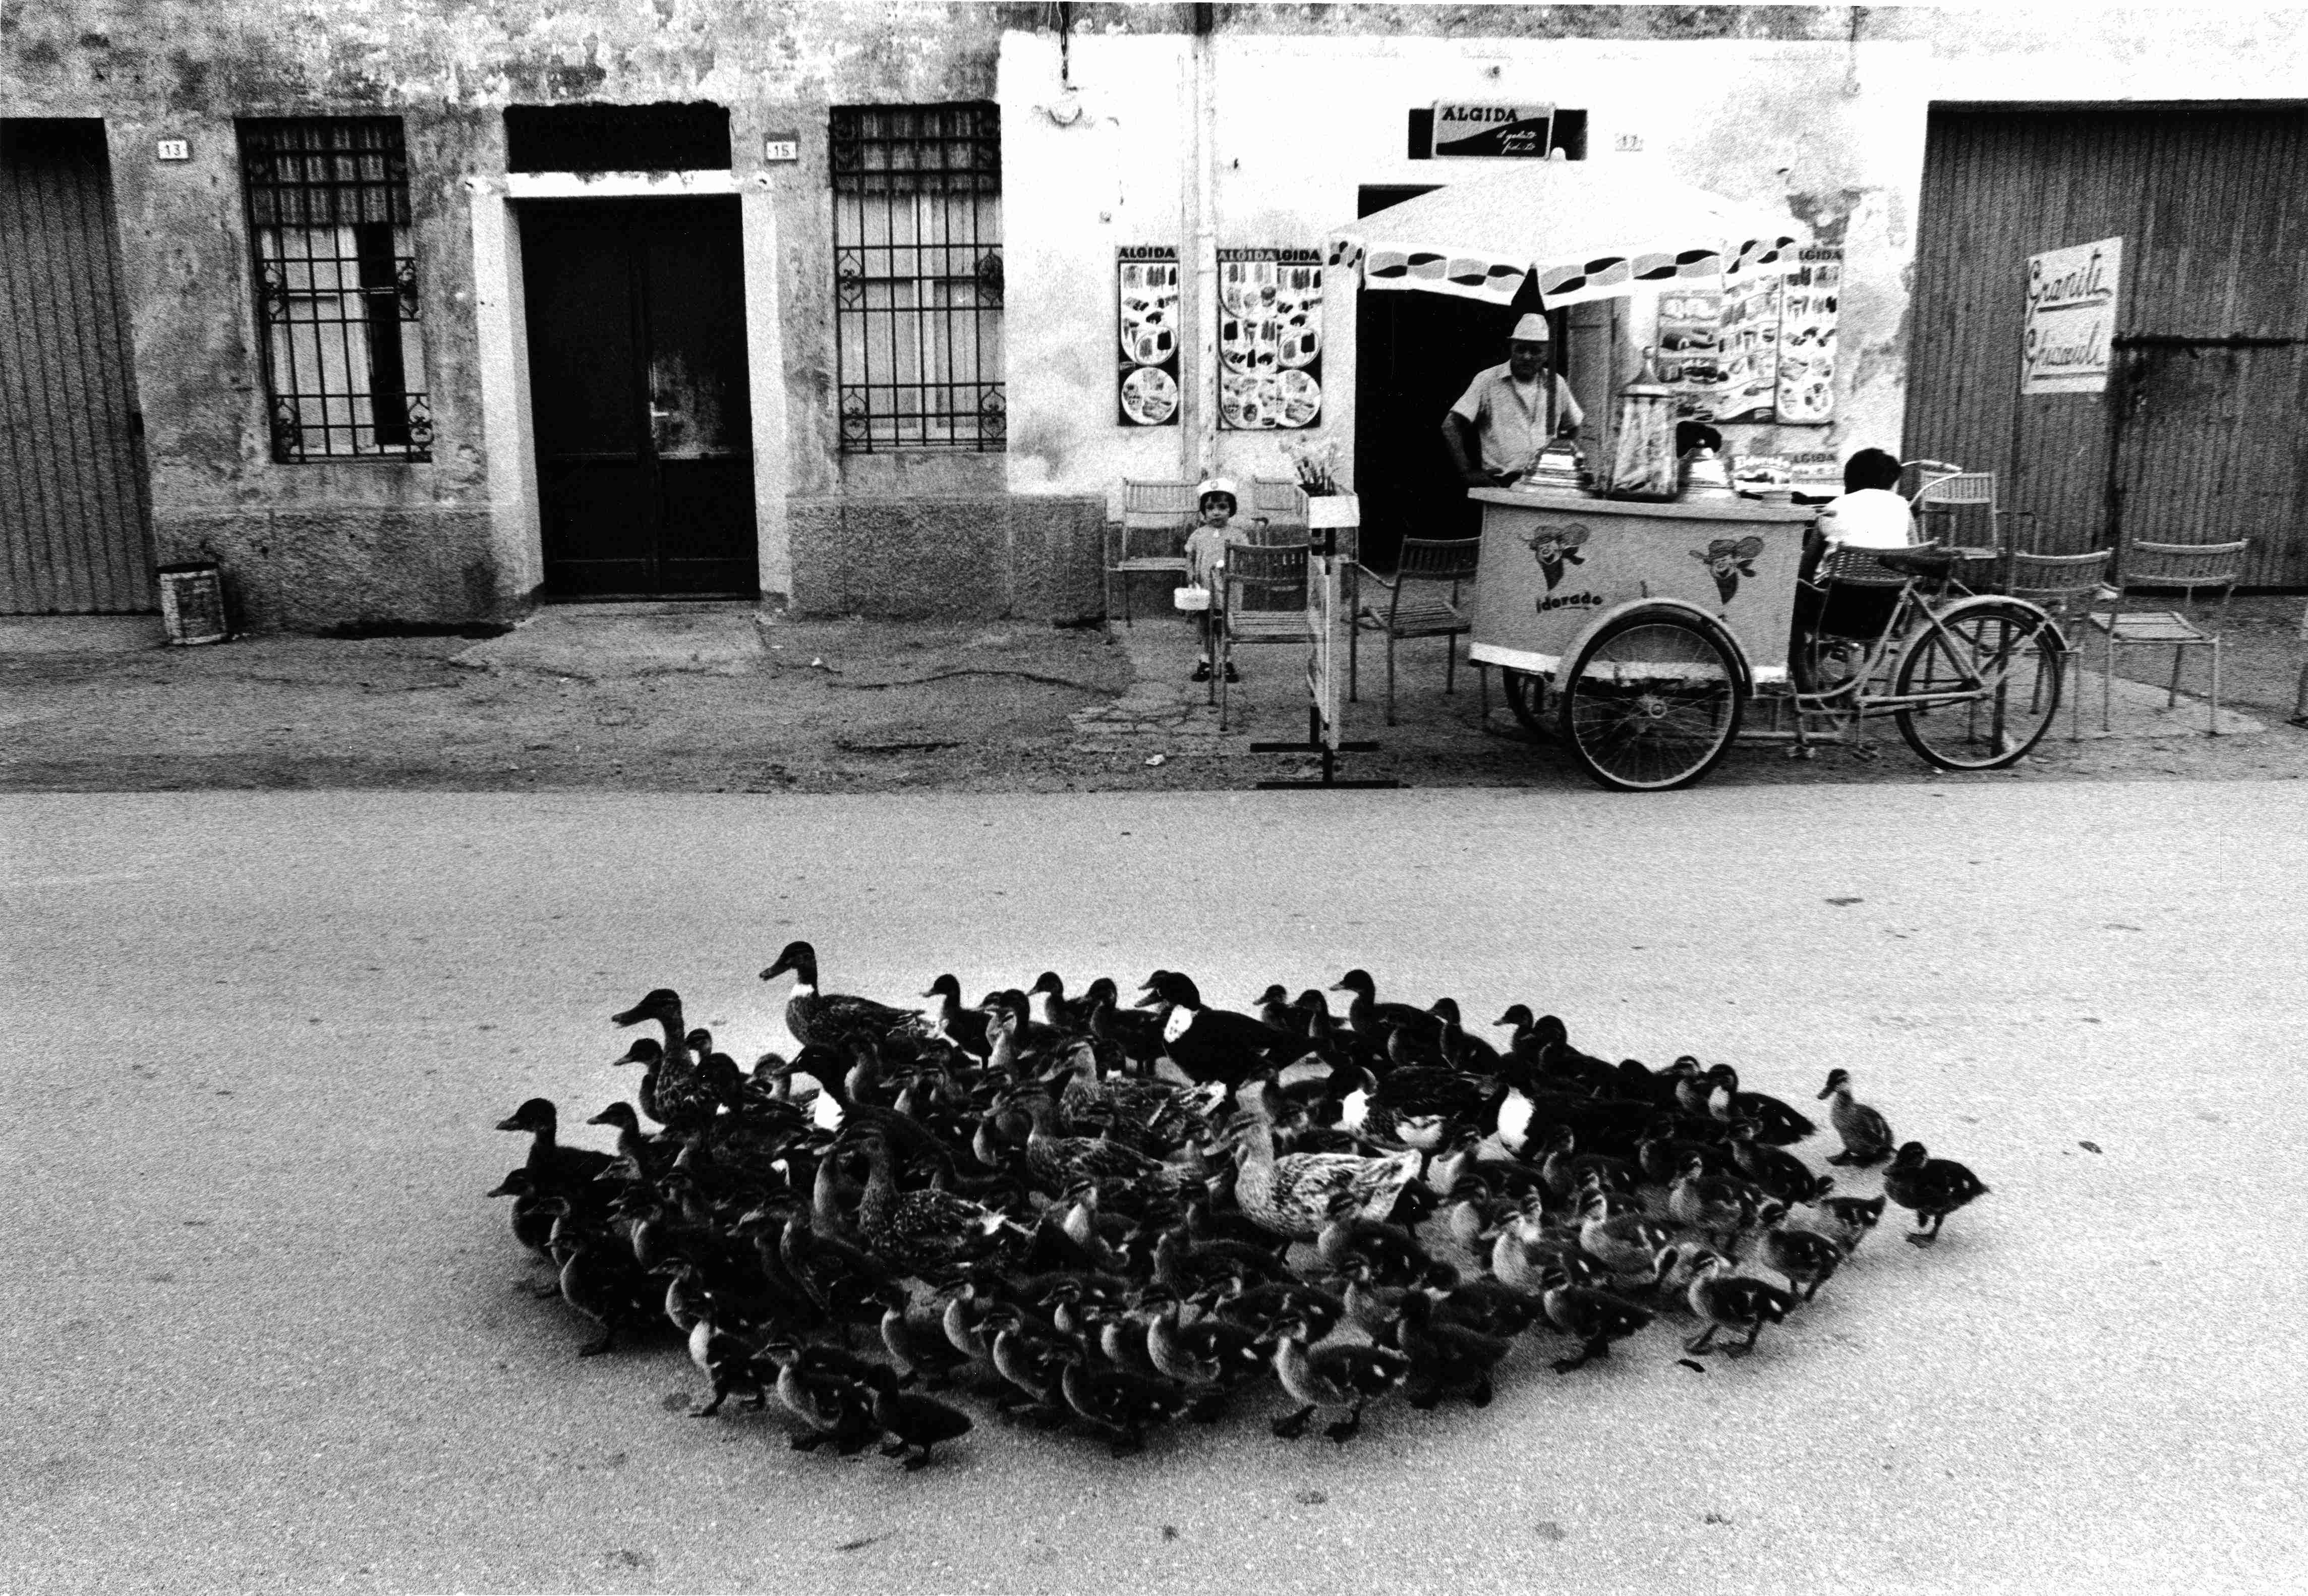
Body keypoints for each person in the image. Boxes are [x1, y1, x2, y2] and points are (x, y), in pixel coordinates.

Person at [1441, 312, 1586, 489]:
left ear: (1547, 354)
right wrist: (1467, 472)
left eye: (1535, 351)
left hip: (1545, 485)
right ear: (1512, 348)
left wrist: (1564, 467)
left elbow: (1575, 426)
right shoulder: (1488, 380)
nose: (1526, 357)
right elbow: (1450, 426)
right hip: (1501, 483)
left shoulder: (1557, 384)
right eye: (1521, 349)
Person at [1183, 478, 1251, 683]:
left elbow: (1245, 557)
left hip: (1228, 588)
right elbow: (1190, 557)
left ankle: (1226, 661)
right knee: (1205, 624)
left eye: (1222, 507)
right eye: (1210, 508)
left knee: (1224, 625)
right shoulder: (1198, 535)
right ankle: (1205, 661)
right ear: (1203, 511)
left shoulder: (1238, 535)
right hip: (1204, 588)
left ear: (1231, 509)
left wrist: (1237, 567)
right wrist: (1190, 575)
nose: (1216, 512)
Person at [1814, 447, 1916, 551]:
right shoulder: (1902, 506)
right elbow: (1915, 550)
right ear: (1891, 482)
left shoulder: (1832, 508)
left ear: (1849, 478)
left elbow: (1811, 557)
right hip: (1891, 567)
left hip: (1843, 566)